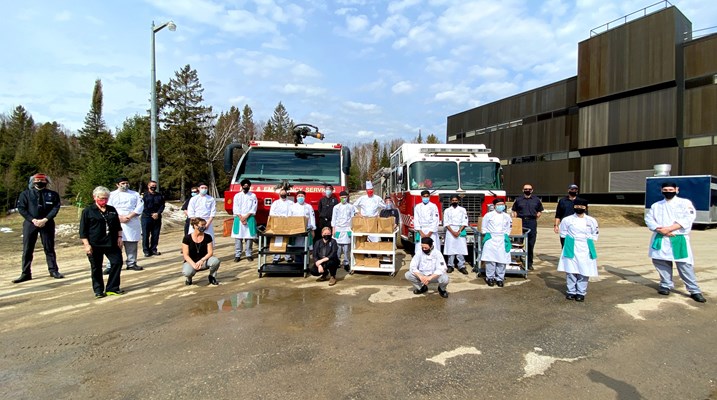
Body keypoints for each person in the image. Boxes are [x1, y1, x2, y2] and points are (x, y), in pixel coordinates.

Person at [645, 182, 706, 303]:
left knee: (684, 265)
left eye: (671, 189)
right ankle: (665, 284)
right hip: (661, 236)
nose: (668, 191)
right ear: (662, 190)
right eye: (665, 189)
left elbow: (688, 218)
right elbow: (649, 219)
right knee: (661, 262)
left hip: (677, 237)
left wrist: (670, 229)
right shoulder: (656, 205)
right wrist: (660, 229)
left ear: (676, 190)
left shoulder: (684, 203)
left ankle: (694, 290)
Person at [13, 173, 64, 283]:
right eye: (37, 181)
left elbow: (56, 208)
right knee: (27, 249)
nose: (39, 183)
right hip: (30, 224)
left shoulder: (53, 194)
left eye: (42, 181)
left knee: (49, 248)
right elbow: (21, 208)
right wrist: (33, 220)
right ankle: (25, 273)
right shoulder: (25, 194)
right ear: (33, 182)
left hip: (47, 223)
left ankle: (53, 270)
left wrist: (46, 219)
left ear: (46, 182)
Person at [80, 186, 124, 298]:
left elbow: (117, 226)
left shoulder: (112, 209)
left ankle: (112, 288)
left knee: (117, 262)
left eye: (106, 198)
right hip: (95, 244)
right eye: (101, 198)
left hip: (111, 242)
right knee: (96, 267)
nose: (103, 201)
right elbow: (83, 230)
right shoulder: (88, 211)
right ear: (95, 197)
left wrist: (120, 237)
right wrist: (86, 245)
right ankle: (98, 290)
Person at [558, 198, 599, 302]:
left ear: (586, 208)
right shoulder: (567, 220)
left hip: (585, 247)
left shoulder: (591, 220)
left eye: (582, 206)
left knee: (584, 271)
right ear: (574, 207)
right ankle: (571, 291)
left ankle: (581, 292)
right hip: (571, 246)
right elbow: (563, 232)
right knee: (571, 270)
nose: (579, 208)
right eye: (577, 206)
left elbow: (595, 233)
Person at [108, 177, 144, 272]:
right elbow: (108, 208)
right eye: (123, 183)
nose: (125, 185)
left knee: (131, 242)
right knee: (114, 244)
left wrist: (129, 216)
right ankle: (111, 265)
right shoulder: (111, 195)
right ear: (117, 184)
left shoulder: (135, 194)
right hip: (116, 221)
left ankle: (131, 263)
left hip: (131, 221)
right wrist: (118, 217)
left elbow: (140, 207)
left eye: (127, 183)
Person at [511, 183, 544, 270]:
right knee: (518, 243)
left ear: (532, 190)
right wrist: (516, 220)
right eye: (526, 189)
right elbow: (514, 210)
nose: (527, 190)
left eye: (529, 189)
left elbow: (540, 211)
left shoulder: (536, 200)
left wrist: (534, 218)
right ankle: (518, 260)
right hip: (521, 221)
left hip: (532, 222)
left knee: (530, 243)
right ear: (523, 190)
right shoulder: (518, 200)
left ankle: (529, 263)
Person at [481, 198, 512, 287]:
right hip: (491, 238)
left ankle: (500, 278)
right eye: (498, 205)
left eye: (502, 204)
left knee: (501, 260)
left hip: (502, 238)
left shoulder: (507, 216)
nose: (500, 206)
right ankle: (490, 277)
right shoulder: (488, 215)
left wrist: (506, 235)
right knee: (490, 260)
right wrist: (487, 235)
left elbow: (509, 227)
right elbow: (484, 227)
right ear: (494, 206)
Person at [182, 217, 220, 286]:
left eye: (204, 225)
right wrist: (193, 264)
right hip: (191, 262)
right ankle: (189, 279)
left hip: (204, 261)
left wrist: (202, 260)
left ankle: (212, 276)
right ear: (195, 226)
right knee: (187, 272)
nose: (204, 227)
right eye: (202, 225)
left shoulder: (208, 237)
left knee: (215, 261)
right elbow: (185, 255)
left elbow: (210, 252)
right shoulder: (187, 238)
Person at [232, 179, 258, 263]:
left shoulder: (253, 196)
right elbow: (235, 207)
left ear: (249, 186)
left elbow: (254, 207)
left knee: (249, 237)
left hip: (249, 218)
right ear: (242, 186)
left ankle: (249, 254)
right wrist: (241, 217)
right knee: (238, 238)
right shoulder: (237, 196)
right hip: (239, 218)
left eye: (247, 185)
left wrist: (246, 217)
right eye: (244, 185)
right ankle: (238, 255)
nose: (246, 186)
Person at [443, 194, 469, 275]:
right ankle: (450, 265)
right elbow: (446, 222)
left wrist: (459, 231)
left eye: (456, 200)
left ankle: (461, 265)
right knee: (450, 248)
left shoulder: (462, 210)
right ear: (450, 201)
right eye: (453, 200)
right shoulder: (447, 210)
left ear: (458, 201)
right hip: (450, 230)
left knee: (460, 248)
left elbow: (465, 221)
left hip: (460, 230)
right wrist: (452, 232)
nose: (454, 201)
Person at [289, 190, 316, 266]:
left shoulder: (308, 206)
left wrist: (313, 229)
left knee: (306, 247)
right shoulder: (292, 206)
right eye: (299, 196)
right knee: (296, 247)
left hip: (307, 230)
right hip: (296, 230)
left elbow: (312, 218)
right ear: (296, 197)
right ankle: (297, 263)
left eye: (302, 196)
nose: (300, 198)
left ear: (305, 197)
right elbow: (289, 218)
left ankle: (306, 263)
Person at [331, 190, 355, 271]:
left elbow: (352, 218)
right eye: (342, 197)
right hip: (338, 229)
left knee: (346, 248)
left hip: (347, 229)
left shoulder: (351, 207)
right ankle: (337, 262)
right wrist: (333, 229)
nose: (343, 199)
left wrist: (352, 228)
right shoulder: (336, 207)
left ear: (347, 197)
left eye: (345, 197)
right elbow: (333, 219)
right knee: (337, 247)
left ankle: (346, 263)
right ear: (339, 197)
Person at [269, 188, 294, 263]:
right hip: (278, 224)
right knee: (278, 240)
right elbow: (271, 213)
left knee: (288, 241)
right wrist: (279, 218)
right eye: (281, 193)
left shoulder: (291, 203)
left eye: (284, 193)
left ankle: (288, 256)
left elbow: (293, 212)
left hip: (288, 223)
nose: (283, 195)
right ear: (279, 194)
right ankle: (276, 257)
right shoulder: (275, 203)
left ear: (286, 194)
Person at [141, 180, 165, 257]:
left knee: (155, 234)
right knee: (145, 235)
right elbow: (143, 207)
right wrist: (151, 214)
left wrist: (158, 213)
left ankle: (153, 249)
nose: (153, 187)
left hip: (157, 217)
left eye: (155, 186)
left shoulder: (159, 195)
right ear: (148, 186)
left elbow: (162, 205)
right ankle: (146, 251)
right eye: (152, 185)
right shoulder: (144, 196)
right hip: (146, 217)